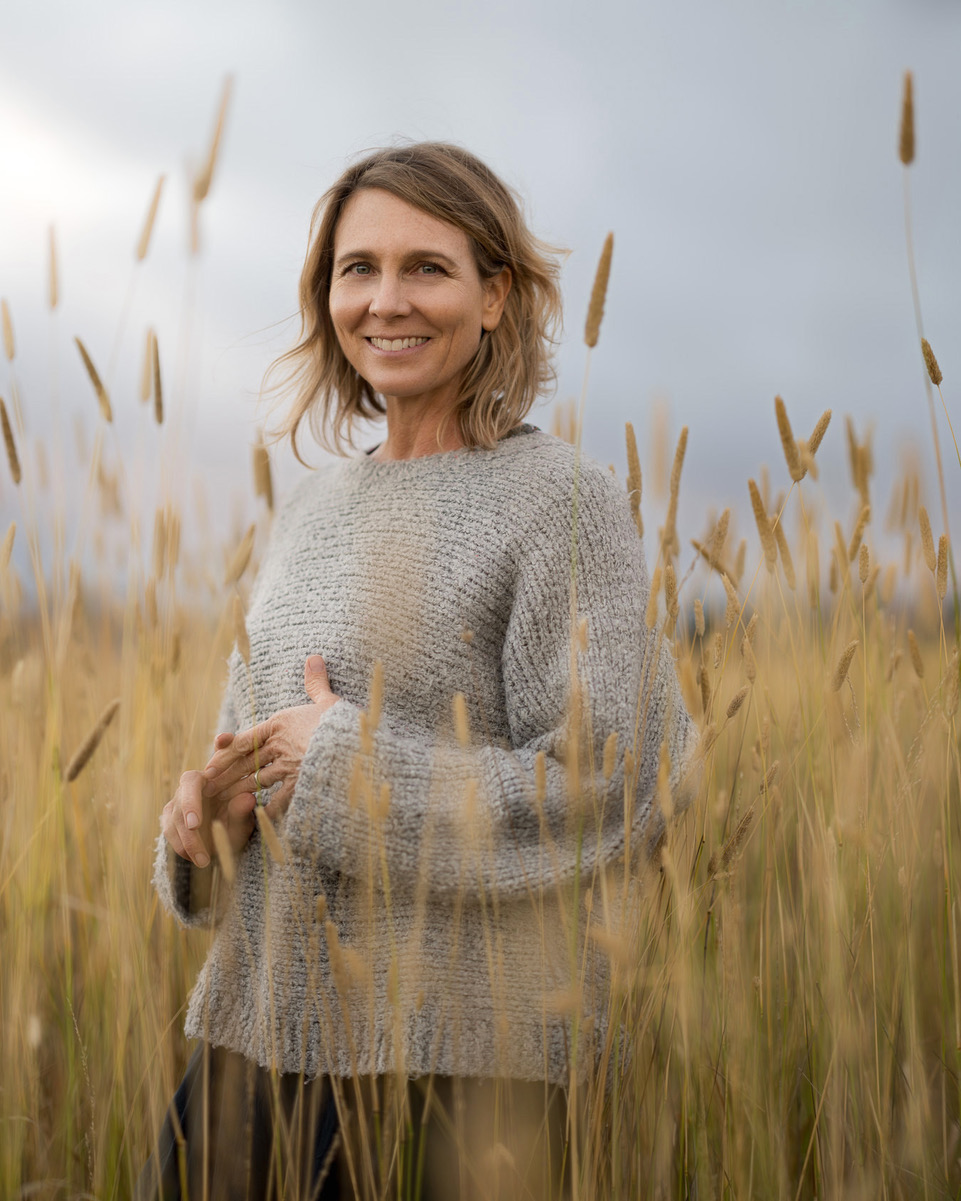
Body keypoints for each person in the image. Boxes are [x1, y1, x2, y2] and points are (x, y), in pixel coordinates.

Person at [138, 142, 697, 1201]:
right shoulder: (305, 510)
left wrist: (347, 761)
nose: (385, 301)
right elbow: (258, 757)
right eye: (358, 269)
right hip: (253, 1054)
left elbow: (610, 784)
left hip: (460, 1079)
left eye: (425, 268)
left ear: (494, 297)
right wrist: (201, 823)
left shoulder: (562, 502)